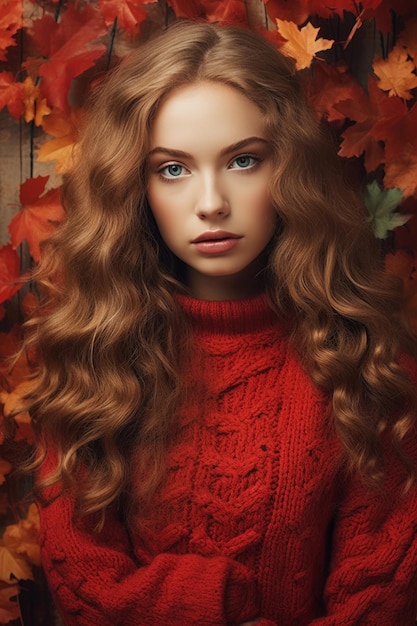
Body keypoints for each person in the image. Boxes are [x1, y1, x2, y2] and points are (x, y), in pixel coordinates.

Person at [20, 19, 417, 626]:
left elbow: (379, 597)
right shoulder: (93, 355)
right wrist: (209, 603)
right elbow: (85, 585)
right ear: (136, 185)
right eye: (173, 169)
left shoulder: (361, 358)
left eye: (243, 161)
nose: (211, 202)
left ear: (287, 168)